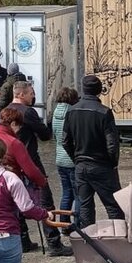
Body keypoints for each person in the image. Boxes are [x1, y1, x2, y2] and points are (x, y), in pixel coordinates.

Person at [8, 81, 72, 257]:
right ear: (21, 94)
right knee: (45, 202)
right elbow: (44, 135)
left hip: (12, 165)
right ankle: (53, 242)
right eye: (30, 93)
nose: (33, 96)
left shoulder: (5, 111)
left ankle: (24, 241)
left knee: (17, 201)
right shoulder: (28, 112)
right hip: (30, 162)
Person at [0, 108, 48, 253]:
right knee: (11, 216)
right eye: (19, 126)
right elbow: (30, 169)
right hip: (7, 184)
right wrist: (42, 182)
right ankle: (15, 246)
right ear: (14, 124)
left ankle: (23, 243)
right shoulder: (14, 142)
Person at [62, 75, 124, 227]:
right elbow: (112, 143)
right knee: (113, 205)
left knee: (85, 206)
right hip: (101, 165)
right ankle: (118, 240)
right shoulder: (104, 112)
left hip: (81, 165)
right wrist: (113, 163)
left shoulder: (72, 111)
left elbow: (65, 140)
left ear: (83, 89)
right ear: (99, 91)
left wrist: (76, 158)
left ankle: (88, 243)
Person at [50, 87, 79, 228]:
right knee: (78, 194)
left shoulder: (55, 113)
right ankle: (78, 224)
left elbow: (55, 136)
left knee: (66, 193)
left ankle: (64, 223)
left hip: (60, 158)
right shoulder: (72, 113)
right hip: (72, 159)